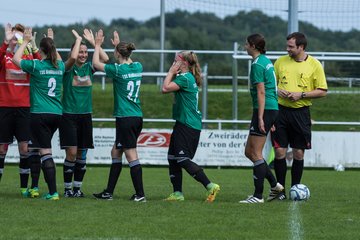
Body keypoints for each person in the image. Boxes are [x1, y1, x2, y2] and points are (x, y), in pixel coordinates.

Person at [270, 32, 328, 200]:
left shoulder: (314, 64)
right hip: (280, 111)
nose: (287, 49)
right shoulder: (280, 62)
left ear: (301, 47)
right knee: (279, 151)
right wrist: (276, 90)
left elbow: (322, 91)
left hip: (301, 113)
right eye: (287, 45)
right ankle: (280, 192)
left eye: (291, 46)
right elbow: (270, 85)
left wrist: (301, 95)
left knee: (298, 154)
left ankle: (296, 189)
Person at [92, 30, 146, 202]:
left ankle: (140, 195)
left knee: (131, 155)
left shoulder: (117, 70)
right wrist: (117, 46)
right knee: (116, 152)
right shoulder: (138, 66)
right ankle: (108, 192)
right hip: (137, 116)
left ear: (117, 54)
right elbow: (124, 57)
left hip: (125, 118)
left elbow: (95, 63)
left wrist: (98, 45)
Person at [13, 27, 65, 200]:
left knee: (45, 152)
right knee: (35, 148)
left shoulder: (36, 66)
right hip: (56, 114)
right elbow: (55, 58)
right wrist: (51, 41)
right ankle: (34, 188)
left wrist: (26, 41)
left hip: (39, 114)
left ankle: (53, 192)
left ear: (41, 50)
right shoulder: (60, 66)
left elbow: (16, 59)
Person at [162, 50, 220, 202]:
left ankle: (210, 185)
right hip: (183, 123)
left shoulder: (185, 78)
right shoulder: (185, 77)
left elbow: (165, 88)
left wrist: (170, 72)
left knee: (182, 159)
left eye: (176, 61)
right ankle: (177, 193)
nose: (174, 63)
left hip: (188, 124)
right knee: (172, 158)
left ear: (185, 63)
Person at [60, 29, 109, 198]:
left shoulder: (90, 68)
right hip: (68, 115)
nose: (83, 55)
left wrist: (94, 44)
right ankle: (67, 189)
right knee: (71, 153)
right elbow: (72, 58)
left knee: (82, 153)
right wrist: (79, 42)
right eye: (80, 51)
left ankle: (77, 189)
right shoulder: (67, 68)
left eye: (85, 52)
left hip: (85, 115)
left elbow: (105, 59)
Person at [239, 34, 284, 204]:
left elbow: (261, 92)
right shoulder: (266, 61)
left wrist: (261, 118)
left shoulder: (258, 64)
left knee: (255, 152)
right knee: (249, 151)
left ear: (253, 46)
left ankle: (258, 196)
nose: (245, 47)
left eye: (246, 44)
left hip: (265, 110)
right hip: (269, 110)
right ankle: (275, 185)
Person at [0, 23, 41, 198]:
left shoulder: (28, 61)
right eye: (14, 38)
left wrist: (32, 45)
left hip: (24, 109)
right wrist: (4, 42)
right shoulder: (5, 57)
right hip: (4, 108)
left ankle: (24, 188)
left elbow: (42, 65)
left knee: (25, 149)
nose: (16, 41)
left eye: (19, 38)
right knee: (2, 149)